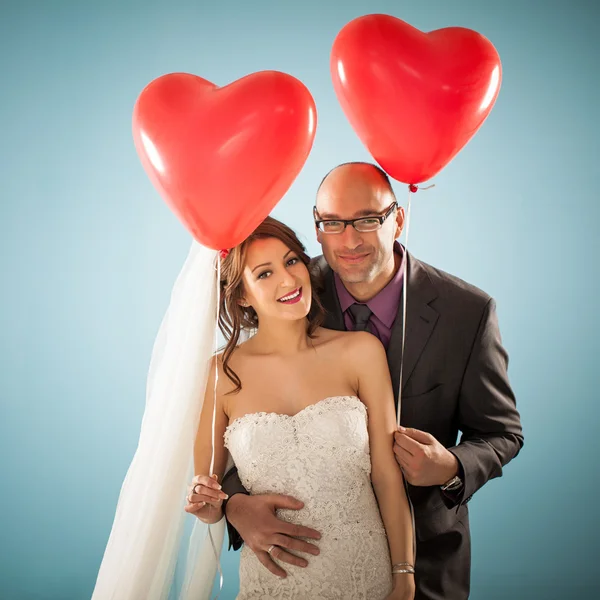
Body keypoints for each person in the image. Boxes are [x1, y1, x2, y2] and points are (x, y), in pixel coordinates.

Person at [220, 162, 524, 600]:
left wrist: (451, 467)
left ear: (398, 220)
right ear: (317, 228)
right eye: (333, 223)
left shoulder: (467, 312)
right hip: (302, 560)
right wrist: (235, 506)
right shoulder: (289, 288)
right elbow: (249, 423)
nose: (349, 239)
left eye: (367, 219)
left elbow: (502, 433)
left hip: (428, 559)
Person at [184, 216, 416, 599]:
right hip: (273, 584)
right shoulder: (221, 374)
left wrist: (404, 576)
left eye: (292, 261)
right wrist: (207, 503)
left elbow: (388, 478)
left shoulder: (360, 352)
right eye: (264, 274)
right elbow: (211, 501)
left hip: (366, 575)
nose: (288, 280)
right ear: (241, 295)